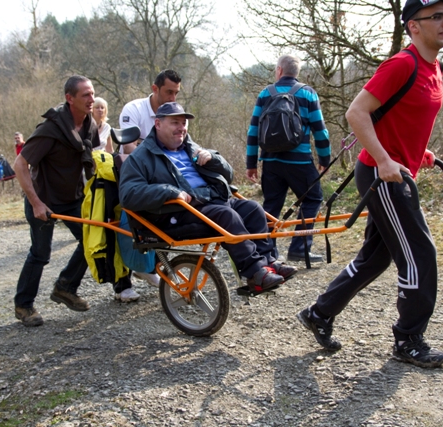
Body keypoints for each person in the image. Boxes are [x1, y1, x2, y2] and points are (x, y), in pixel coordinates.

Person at [297, 0, 443, 369]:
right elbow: (357, 112)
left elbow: (403, 119)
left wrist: (420, 153)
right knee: (420, 255)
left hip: (396, 169)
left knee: (374, 258)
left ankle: (319, 314)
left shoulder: (435, 68)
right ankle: (408, 339)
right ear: (413, 27)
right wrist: (385, 159)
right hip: (383, 175)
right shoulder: (403, 64)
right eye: (436, 16)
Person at [119, 102, 298, 292]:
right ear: (158, 124)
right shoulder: (140, 157)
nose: (181, 128)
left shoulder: (191, 147)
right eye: (175, 123)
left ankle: (268, 263)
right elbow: (128, 194)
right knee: (226, 216)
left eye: (184, 123)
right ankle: (255, 273)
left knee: (253, 209)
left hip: (210, 199)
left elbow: (228, 175)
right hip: (176, 212)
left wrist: (214, 159)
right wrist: (169, 191)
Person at [13, 75, 101, 327]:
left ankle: (65, 287)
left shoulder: (89, 124)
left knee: (90, 242)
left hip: (71, 198)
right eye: (85, 95)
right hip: (43, 200)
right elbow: (20, 164)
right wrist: (37, 203)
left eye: (92, 93)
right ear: (69, 98)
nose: (91, 99)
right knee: (40, 254)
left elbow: (91, 162)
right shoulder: (50, 129)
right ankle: (23, 305)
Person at [246, 55, 331, 264]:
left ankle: (266, 253)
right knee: (312, 199)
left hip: (271, 162)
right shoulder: (308, 94)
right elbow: (320, 131)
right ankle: (300, 249)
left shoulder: (266, 94)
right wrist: (324, 158)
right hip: (300, 162)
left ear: (279, 70)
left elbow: (253, 131)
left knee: (271, 205)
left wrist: (251, 163)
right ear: (296, 72)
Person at [118, 69, 182, 287]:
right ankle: (124, 278)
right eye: (168, 92)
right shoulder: (133, 109)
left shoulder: (175, 115)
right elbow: (129, 148)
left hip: (161, 171)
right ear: (155, 89)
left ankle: (153, 264)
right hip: (132, 169)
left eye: (176, 93)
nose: (172, 98)